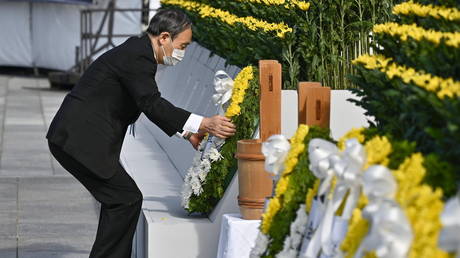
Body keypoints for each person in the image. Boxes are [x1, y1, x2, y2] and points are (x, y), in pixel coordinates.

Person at [46, 9, 236, 258]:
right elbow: (151, 103)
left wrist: (187, 134)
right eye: (183, 46)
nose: (183, 53)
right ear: (164, 38)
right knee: (125, 199)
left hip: (76, 137)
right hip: (80, 140)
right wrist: (204, 124)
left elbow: (144, 102)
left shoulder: (138, 51)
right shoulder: (138, 57)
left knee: (122, 199)